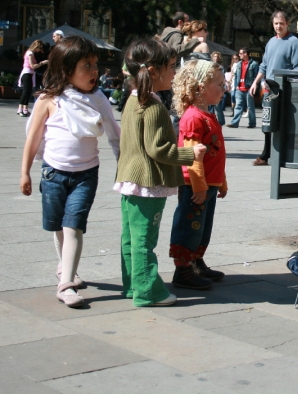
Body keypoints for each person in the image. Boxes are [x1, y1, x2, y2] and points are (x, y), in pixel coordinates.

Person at [20, 36, 121, 308]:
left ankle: (65, 284)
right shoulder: (50, 100)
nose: (94, 71)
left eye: (95, 65)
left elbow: (114, 134)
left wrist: (123, 165)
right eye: (86, 65)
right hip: (53, 173)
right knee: (58, 226)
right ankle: (67, 269)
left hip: (86, 174)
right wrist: (25, 172)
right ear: (66, 70)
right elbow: (33, 137)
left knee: (73, 225)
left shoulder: (98, 99)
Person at [114, 39, 206, 307]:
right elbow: (158, 149)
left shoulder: (133, 100)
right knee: (145, 239)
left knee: (130, 238)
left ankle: (132, 284)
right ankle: (149, 292)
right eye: (171, 67)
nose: (174, 73)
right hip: (148, 182)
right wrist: (190, 154)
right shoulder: (152, 106)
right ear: (153, 71)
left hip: (129, 179)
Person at [169, 59, 228, 289]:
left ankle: (196, 262)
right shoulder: (193, 117)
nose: (224, 89)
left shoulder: (208, 115)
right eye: (220, 85)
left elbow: (215, 153)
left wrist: (220, 181)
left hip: (208, 185)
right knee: (190, 227)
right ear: (202, 87)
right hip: (196, 187)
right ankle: (183, 270)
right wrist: (200, 186)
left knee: (202, 227)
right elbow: (191, 156)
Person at [249, 12, 298, 166]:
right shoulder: (271, 42)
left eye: (281, 23)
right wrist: (255, 82)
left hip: (285, 90)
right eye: (276, 23)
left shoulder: (294, 42)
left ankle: (280, 154)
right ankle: (266, 154)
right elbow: (264, 65)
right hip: (269, 89)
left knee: (282, 123)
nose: (278, 26)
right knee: (267, 123)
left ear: (287, 24)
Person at [227, 48, 258, 129]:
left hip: (249, 88)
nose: (239, 55)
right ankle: (234, 123)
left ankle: (252, 123)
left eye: (240, 53)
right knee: (238, 106)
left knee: (250, 107)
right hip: (239, 88)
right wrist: (236, 85)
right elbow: (236, 75)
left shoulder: (253, 64)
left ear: (245, 54)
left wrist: (253, 87)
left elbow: (256, 77)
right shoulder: (239, 64)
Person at [18, 40, 48, 116]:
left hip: (29, 73)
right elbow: (33, 66)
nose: (39, 50)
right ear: (36, 47)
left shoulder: (30, 53)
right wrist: (42, 63)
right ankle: (20, 109)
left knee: (28, 92)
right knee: (25, 92)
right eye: (39, 48)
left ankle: (25, 109)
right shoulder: (30, 54)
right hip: (27, 73)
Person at [207, 51, 226, 125]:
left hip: (218, 87)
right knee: (210, 105)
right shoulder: (209, 66)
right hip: (211, 87)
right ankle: (212, 120)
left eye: (217, 56)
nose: (216, 58)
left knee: (218, 106)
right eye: (214, 56)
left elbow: (222, 78)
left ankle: (221, 121)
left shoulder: (220, 67)